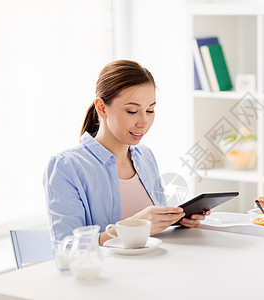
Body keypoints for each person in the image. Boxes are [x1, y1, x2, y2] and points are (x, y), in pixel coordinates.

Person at [43, 59, 209, 246]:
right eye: (132, 111)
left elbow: (153, 233)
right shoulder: (66, 166)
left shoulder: (145, 156)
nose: (143, 122)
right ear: (101, 107)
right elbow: (67, 247)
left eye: (150, 110)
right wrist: (134, 226)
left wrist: (174, 221)